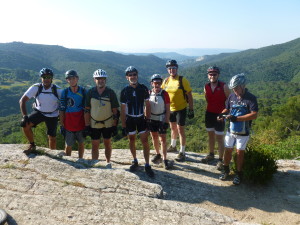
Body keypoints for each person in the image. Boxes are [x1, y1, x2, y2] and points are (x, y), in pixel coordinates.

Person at [218, 73, 258, 185]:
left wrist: (237, 118)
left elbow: (254, 114)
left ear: (242, 86)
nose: (234, 90)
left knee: (239, 152)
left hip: (243, 131)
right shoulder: (231, 96)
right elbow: (227, 109)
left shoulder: (251, 98)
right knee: (228, 150)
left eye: (236, 88)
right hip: (231, 129)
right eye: (233, 88)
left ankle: (239, 174)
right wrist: (221, 115)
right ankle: (226, 170)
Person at [120, 66, 154, 177]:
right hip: (130, 119)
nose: (133, 77)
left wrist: (148, 119)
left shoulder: (143, 88)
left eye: (134, 74)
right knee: (132, 140)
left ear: (137, 75)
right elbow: (123, 109)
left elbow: (147, 105)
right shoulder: (124, 91)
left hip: (141, 118)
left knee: (145, 141)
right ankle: (135, 160)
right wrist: (123, 125)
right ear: (127, 77)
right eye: (130, 75)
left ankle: (147, 165)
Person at [19, 68, 62, 154]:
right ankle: (32, 145)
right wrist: (24, 116)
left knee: (52, 137)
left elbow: (64, 103)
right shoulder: (36, 87)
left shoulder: (57, 89)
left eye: (48, 77)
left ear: (52, 78)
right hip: (39, 112)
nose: (46, 79)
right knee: (25, 125)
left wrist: (62, 116)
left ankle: (52, 153)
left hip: (53, 114)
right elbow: (22, 100)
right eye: (44, 77)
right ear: (41, 78)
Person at [84, 69, 119, 168]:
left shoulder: (110, 92)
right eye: (98, 79)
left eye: (102, 78)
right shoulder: (90, 92)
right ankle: (95, 164)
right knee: (95, 145)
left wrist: (115, 125)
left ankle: (108, 162)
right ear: (95, 80)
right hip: (94, 123)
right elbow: (86, 110)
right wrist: (87, 126)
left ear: (105, 80)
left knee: (107, 143)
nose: (101, 80)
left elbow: (115, 110)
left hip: (108, 123)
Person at [162, 60, 194, 162]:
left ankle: (182, 152)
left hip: (181, 108)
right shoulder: (166, 81)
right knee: (173, 128)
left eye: (174, 68)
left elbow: (189, 94)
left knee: (180, 130)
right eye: (170, 68)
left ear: (177, 69)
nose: (172, 70)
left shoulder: (182, 80)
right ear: (167, 69)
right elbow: (162, 93)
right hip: (170, 109)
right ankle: (173, 145)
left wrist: (191, 109)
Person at [202, 66, 230, 170]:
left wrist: (225, 113)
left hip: (220, 114)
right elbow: (207, 99)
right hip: (209, 113)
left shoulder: (224, 86)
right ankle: (211, 154)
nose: (212, 76)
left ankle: (220, 160)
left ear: (218, 75)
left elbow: (230, 101)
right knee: (210, 135)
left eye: (214, 74)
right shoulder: (206, 86)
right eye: (210, 74)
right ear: (208, 75)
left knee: (219, 137)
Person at [59, 70, 86, 158]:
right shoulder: (65, 92)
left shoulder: (83, 91)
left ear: (77, 79)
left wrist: (88, 123)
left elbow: (87, 109)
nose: (72, 80)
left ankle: (81, 159)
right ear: (67, 80)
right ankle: (68, 160)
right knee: (68, 144)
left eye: (73, 78)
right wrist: (61, 124)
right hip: (69, 122)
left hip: (81, 122)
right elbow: (62, 109)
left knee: (81, 143)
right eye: (69, 79)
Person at [148, 74, 172, 170]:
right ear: (152, 83)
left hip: (161, 118)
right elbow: (146, 107)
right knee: (154, 137)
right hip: (152, 119)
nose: (157, 84)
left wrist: (166, 121)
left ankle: (165, 159)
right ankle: (157, 154)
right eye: (155, 82)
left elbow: (168, 108)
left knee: (162, 139)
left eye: (159, 83)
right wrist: (147, 119)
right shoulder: (149, 93)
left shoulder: (164, 94)